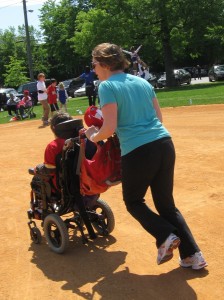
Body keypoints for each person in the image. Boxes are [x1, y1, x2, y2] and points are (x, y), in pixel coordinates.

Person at [85, 43, 208, 270]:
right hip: (164, 143)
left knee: (133, 202)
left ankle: (165, 235)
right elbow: (159, 118)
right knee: (166, 205)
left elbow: (109, 128)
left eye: (93, 64)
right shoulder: (141, 82)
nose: (93, 69)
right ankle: (193, 255)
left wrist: (93, 135)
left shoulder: (107, 86)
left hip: (138, 150)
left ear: (104, 63)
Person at [35, 112, 72, 189]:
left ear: (54, 128)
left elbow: (50, 170)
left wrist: (38, 168)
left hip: (61, 186)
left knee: (36, 178)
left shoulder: (53, 146)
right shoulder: (79, 140)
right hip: (80, 182)